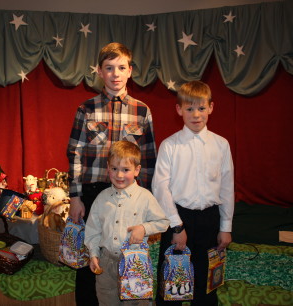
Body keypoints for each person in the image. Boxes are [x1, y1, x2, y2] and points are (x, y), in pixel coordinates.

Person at [67, 42, 157, 305]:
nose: (115, 74)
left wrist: (146, 203)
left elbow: (149, 158)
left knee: (127, 260)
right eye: (109, 68)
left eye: (121, 67)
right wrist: (75, 197)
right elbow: (74, 153)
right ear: (99, 71)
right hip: (93, 193)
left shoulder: (142, 111)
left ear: (130, 71)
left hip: (129, 197)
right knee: (90, 259)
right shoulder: (86, 109)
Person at [152, 80, 234, 305]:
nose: (196, 114)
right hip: (178, 219)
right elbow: (161, 188)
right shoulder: (170, 146)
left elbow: (227, 187)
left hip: (209, 220)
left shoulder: (221, 145)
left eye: (201, 108)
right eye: (189, 109)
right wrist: (177, 226)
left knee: (206, 287)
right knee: (172, 288)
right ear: (179, 110)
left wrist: (225, 227)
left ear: (211, 108)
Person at [84, 140, 169, 306]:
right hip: (106, 263)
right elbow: (93, 230)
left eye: (125, 170)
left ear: (137, 170)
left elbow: (163, 222)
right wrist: (93, 254)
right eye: (114, 169)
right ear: (108, 167)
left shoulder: (145, 197)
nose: (119, 175)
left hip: (136, 263)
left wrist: (144, 228)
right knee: (106, 301)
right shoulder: (101, 198)